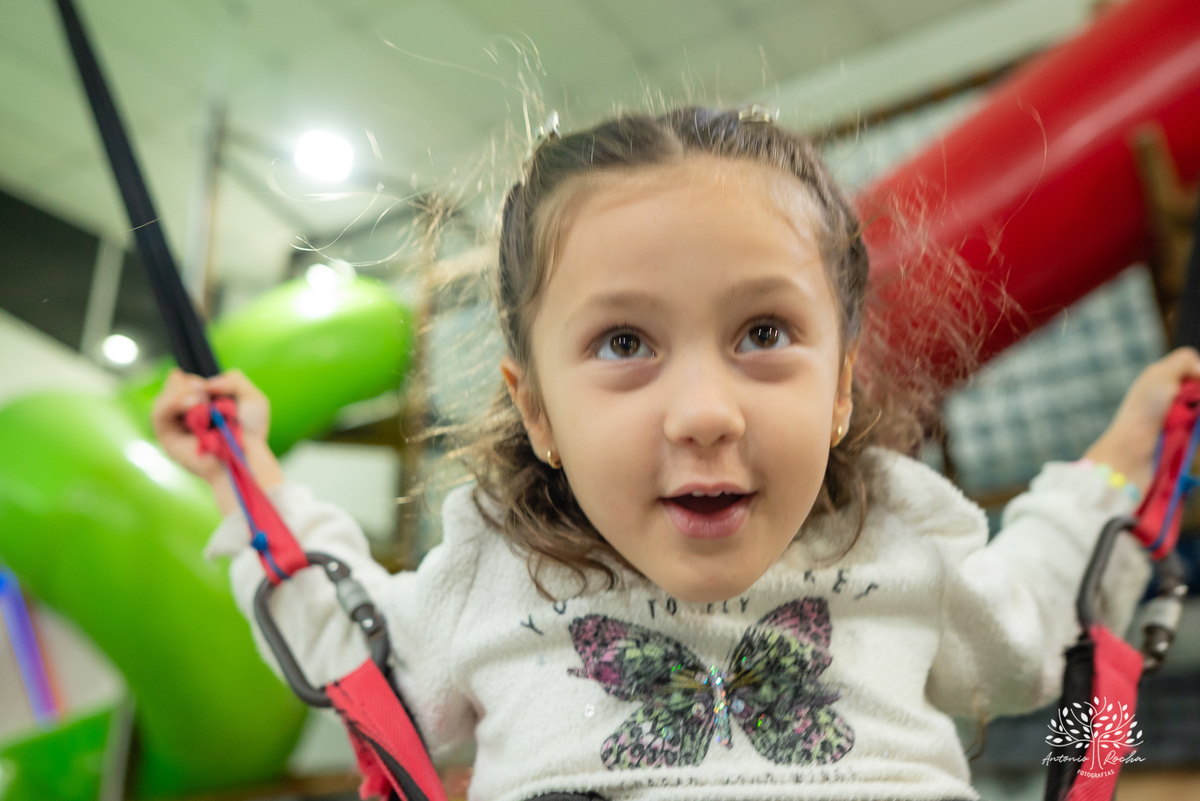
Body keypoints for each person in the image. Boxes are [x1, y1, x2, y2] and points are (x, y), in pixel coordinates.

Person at [152, 107, 1200, 801]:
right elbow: (353, 644)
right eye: (624, 344)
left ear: (840, 388)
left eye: (762, 333)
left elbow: (1044, 620)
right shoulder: (497, 572)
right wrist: (253, 478)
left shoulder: (894, 534)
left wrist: (1125, 455)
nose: (705, 413)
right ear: (539, 411)